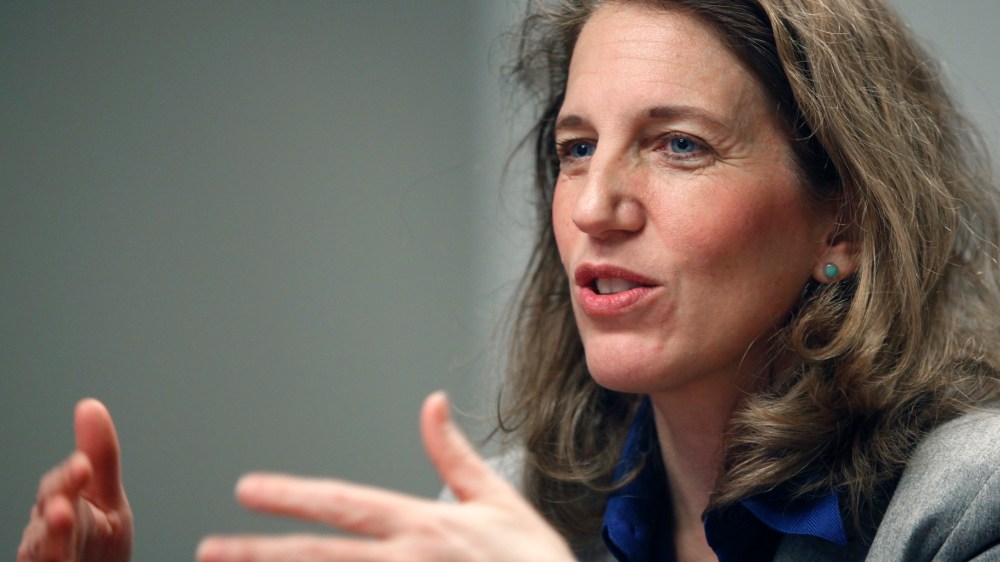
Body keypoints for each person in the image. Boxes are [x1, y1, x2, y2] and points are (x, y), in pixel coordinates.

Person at [18, 0, 1000, 561]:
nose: (593, 206)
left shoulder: (971, 502)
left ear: (847, 224)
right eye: (575, 148)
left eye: (678, 145)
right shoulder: (519, 509)